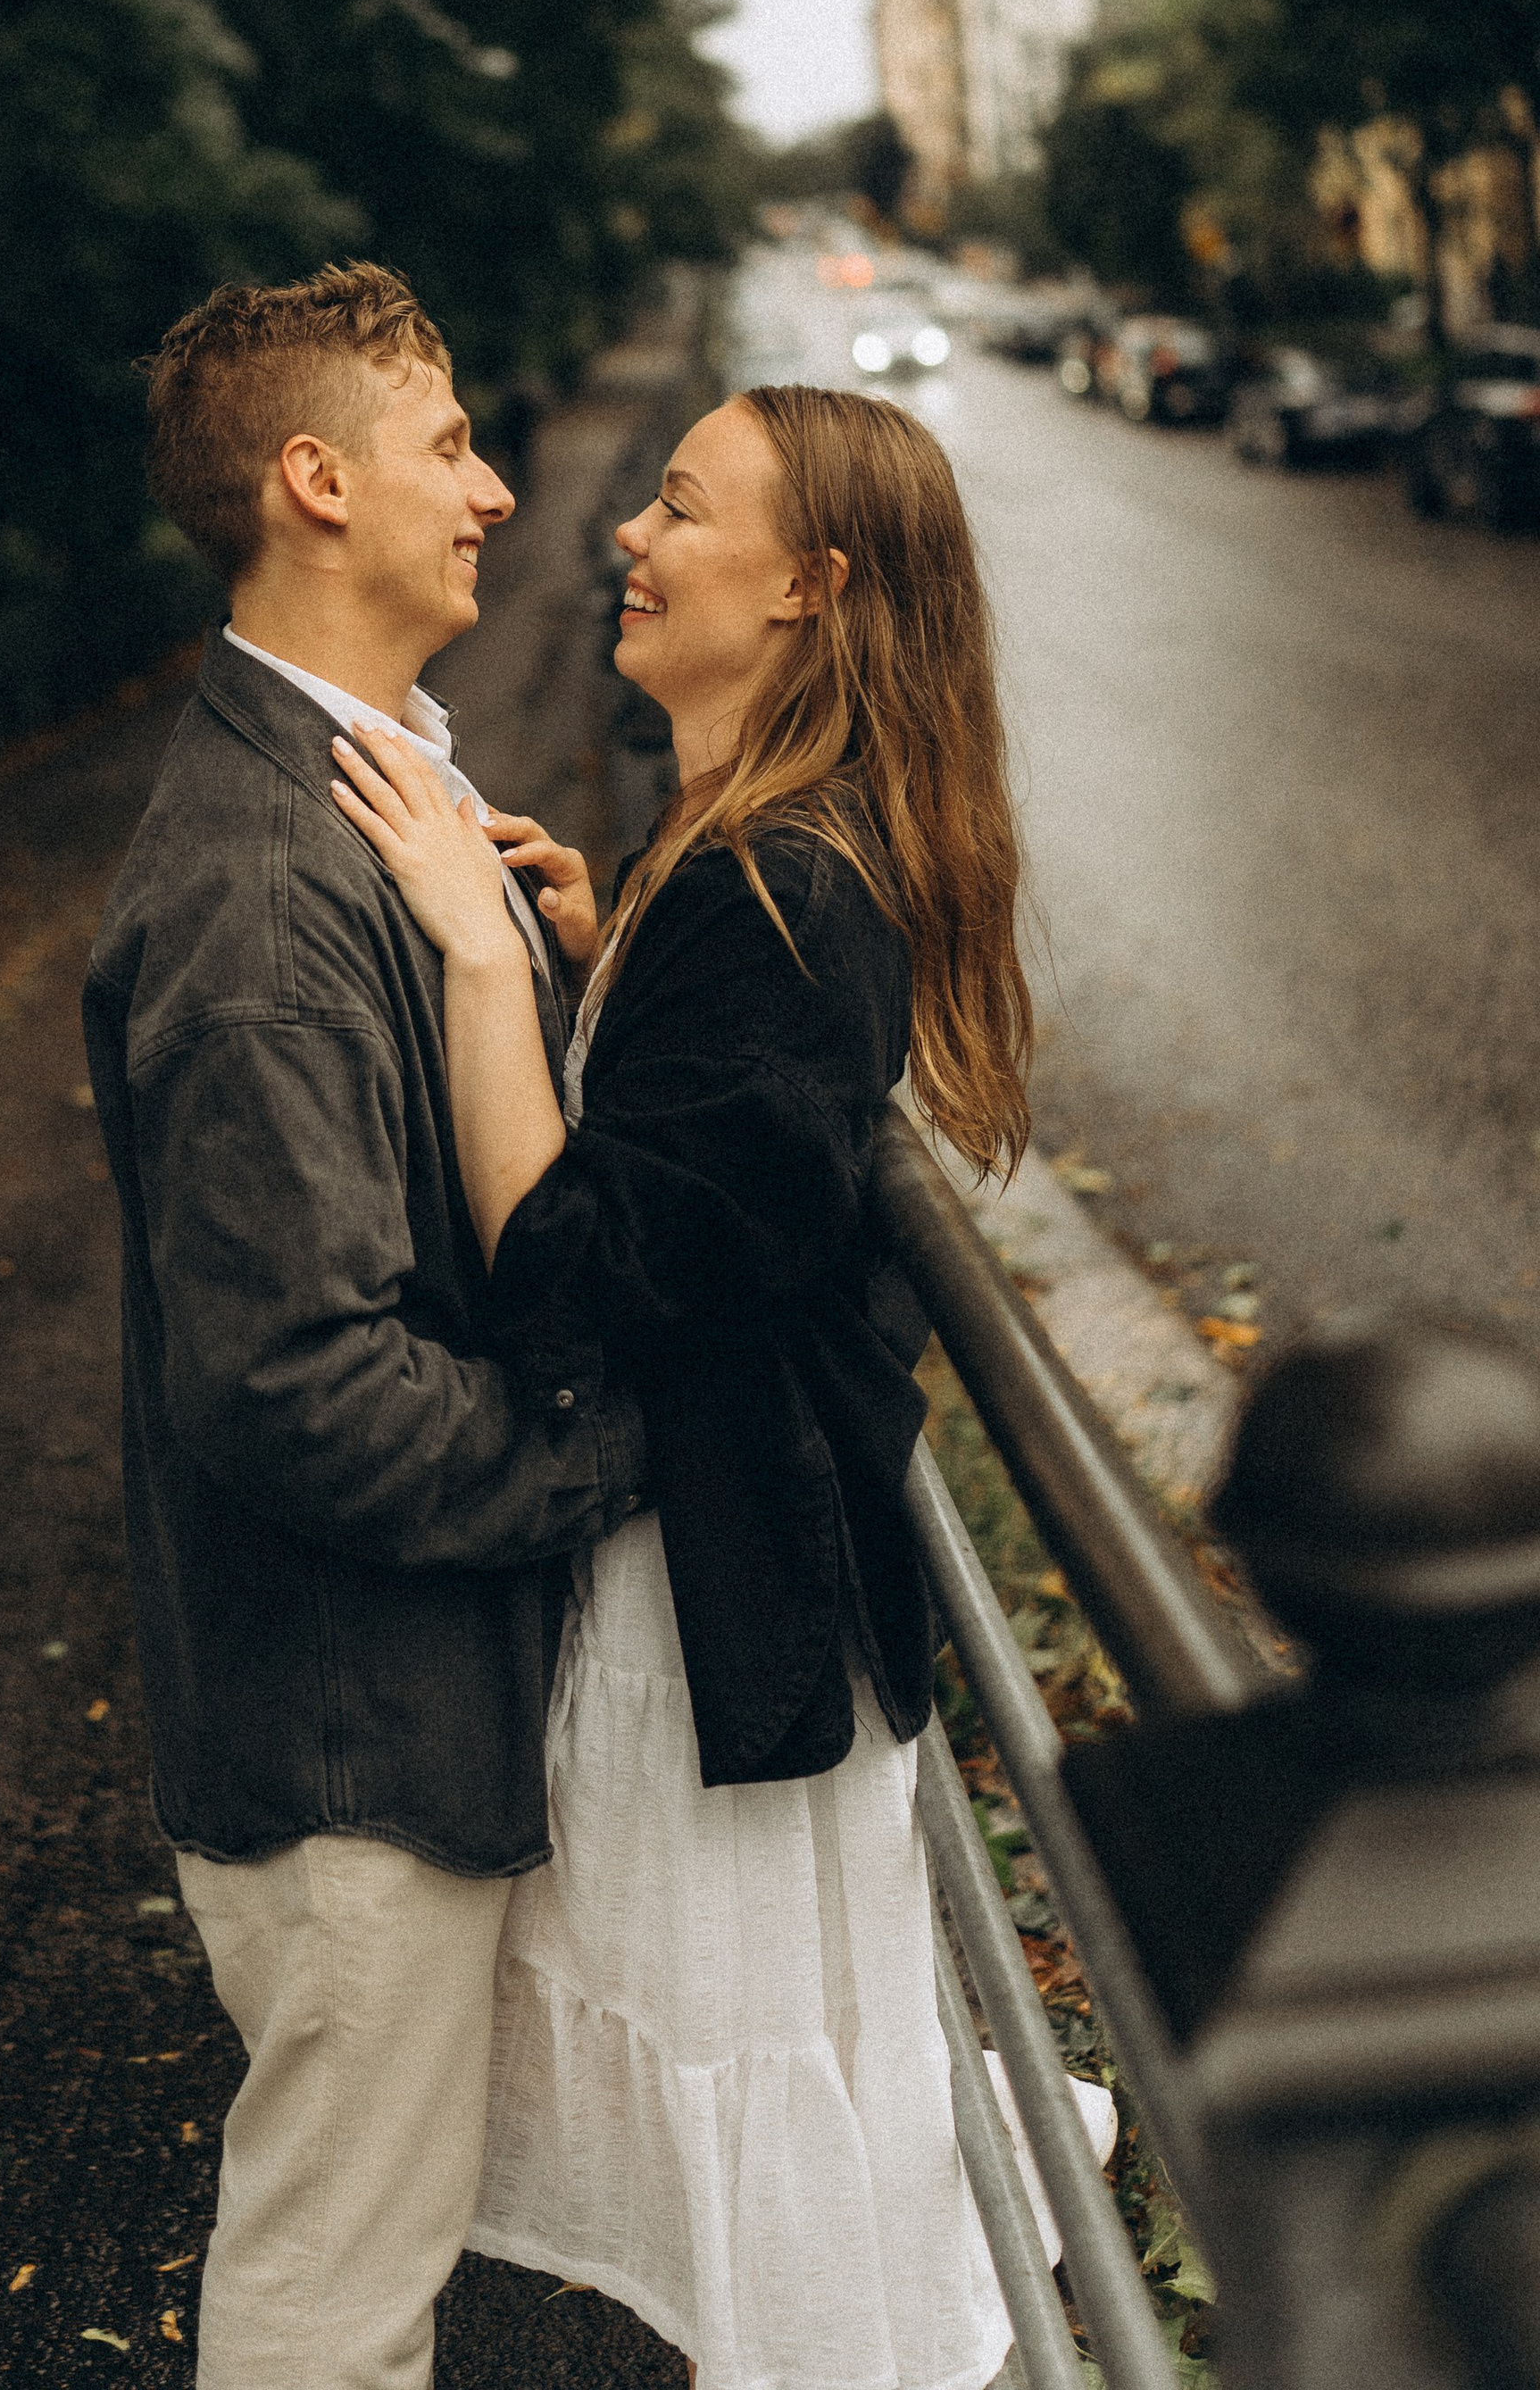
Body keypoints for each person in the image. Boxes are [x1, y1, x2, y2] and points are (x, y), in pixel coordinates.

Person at [329, 380, 1036, 2390]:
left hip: (713, 1611)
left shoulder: (779, 894)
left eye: (676, 507)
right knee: (767, 2163)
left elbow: (577, 1281)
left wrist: (478, 966)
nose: (622, 537)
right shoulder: (728, 864)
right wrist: (588, 960)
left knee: (783, 2212)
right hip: (719, 1574)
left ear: (809, 590)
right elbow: (709, 1190)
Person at [83, 260, 650, 2390]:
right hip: (349, 1742)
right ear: (314, 484)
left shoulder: (365, 789)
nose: (498, 490)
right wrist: (615, 1460)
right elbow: (294, 1386)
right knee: (335, 2300)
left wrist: (544, 974)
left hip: (395, 1704)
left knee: (366, 2265)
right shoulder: (258, 886)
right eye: (447, 446)